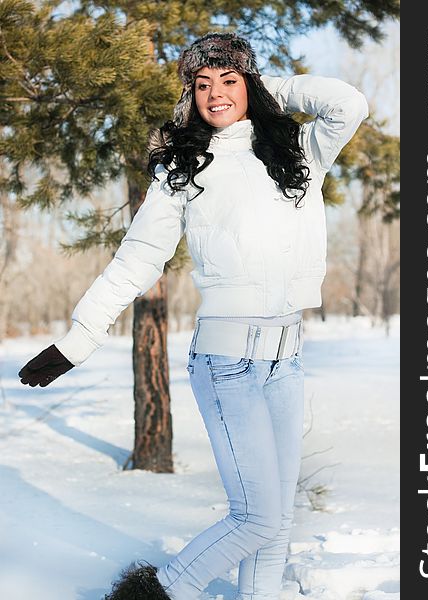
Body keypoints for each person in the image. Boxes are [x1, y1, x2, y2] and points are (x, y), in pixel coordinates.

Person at [18, 31, 368, 600]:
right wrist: (78, 340)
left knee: (274, 525)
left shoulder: (298, 152)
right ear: (190, 95)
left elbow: (349, 103)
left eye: (229, 81)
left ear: (251, 85)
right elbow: (137, 258)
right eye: (202, 85)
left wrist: (263, 89)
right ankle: (153, 594)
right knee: (255, 518)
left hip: (286, 360)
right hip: (228, 362)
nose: (216, 94)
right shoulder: (184, 167)